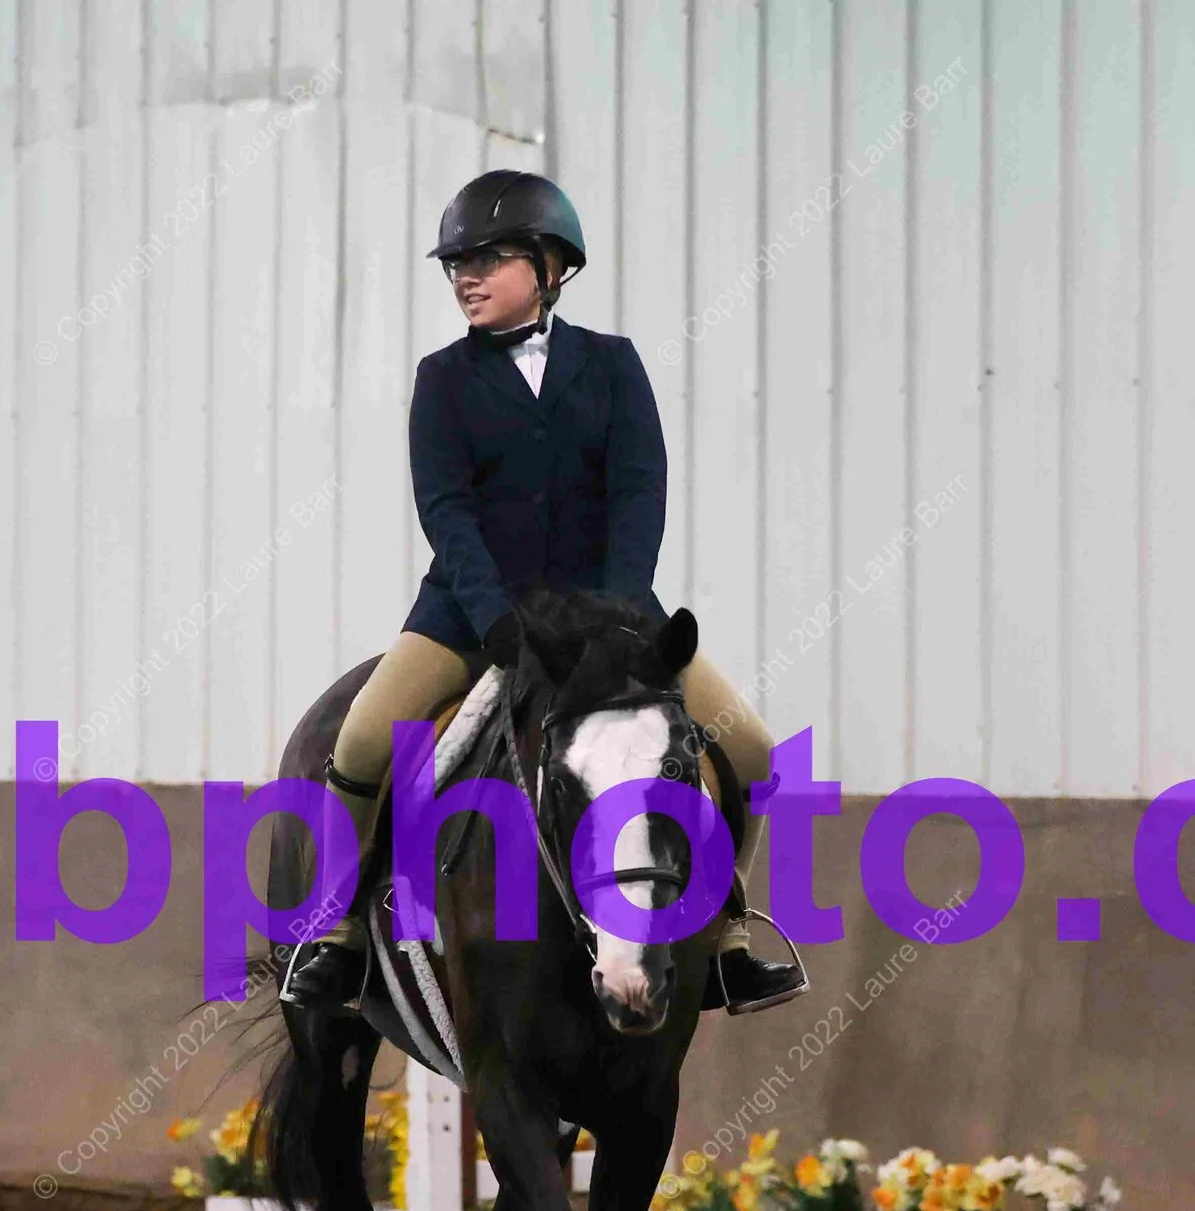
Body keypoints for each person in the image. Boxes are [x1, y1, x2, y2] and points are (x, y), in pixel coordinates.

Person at [281, 169, 804, 1017]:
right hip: (469, 618)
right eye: (457, 263)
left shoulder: (614, 366)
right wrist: (495, 620)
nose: (466, 276)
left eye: (487, 259)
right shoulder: (442, 379)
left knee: (753, 751)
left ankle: (727, 938)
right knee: (364, 740)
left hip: (613, 619)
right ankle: (338, 935)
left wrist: (615, 615)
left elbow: (639, 493)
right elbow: (446, 510)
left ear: (550, 266)